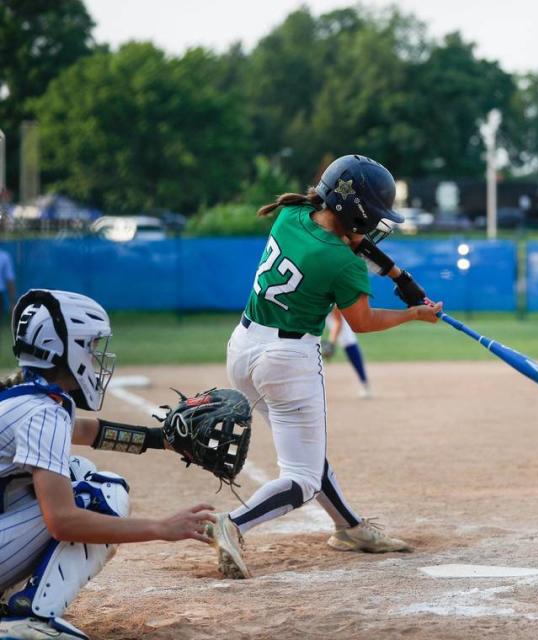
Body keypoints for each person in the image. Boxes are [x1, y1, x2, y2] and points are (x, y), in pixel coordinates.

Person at [207, 154, 442, 579]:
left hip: (243, 348)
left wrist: (397, 276)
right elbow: (363, 322)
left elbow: (347, 240)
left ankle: (349, 529)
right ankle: (233, 525)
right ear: (356, 211)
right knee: (302, 477)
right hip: (287, 362)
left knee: (306, 455)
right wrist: (414, 314)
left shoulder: (293, 214)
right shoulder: (343, 263)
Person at [0, 290, 216, 640]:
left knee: (78, 471)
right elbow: (63, 522)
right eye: (90, 345)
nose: (96, 355)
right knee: (102, 492)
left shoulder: (27, 398)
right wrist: (162, 528)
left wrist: (160, 439)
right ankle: (30, 620)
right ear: (64, 348)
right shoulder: (43, 411)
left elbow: (84, 430)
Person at [325, 306, 372, 399]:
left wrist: (331, 343)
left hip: (334, 311)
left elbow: (338, 322)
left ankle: (364, 383)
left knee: (348, 340)